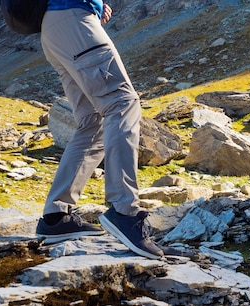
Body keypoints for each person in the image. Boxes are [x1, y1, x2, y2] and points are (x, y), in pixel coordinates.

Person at [34, 0, 164, 260]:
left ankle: (56, 217)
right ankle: (124, 211)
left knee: (92, 121)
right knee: (122, 103)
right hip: (74, 19)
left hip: (54, 26)